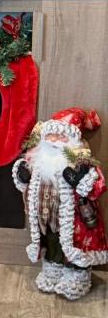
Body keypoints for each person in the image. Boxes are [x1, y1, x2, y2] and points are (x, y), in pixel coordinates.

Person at [12, 108, 108, 300]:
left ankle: (76, 278)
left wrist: (80, 179)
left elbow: (97, 186)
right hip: (47, 220)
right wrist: (23, 175)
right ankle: (52, 270)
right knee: (52, 244)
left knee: (75, 248)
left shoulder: (81, 162)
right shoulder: (38, 159)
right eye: (50, 135)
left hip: (75, 223)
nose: (54, 140)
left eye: (61, 136)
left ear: (72, 140)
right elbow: (25, 183)